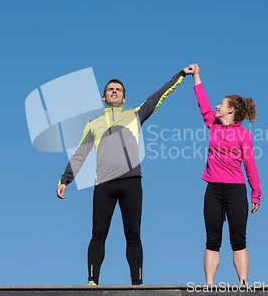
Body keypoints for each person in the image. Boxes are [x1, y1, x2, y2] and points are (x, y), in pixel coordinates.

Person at [56, 67, 195, 285]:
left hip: (131, 183)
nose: (114, 92)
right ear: (103, 97)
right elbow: (80, 153)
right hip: (104, 184)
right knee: (98, 234)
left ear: (123, 97)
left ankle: (137, 283)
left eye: (118, 90)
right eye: (110, 89)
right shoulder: (93, 124)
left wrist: (180, 75)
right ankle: (92, 281)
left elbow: (158, 96)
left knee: (133, 235)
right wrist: (65, 179)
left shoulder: (135, 115)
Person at [188, 64, 261, 285]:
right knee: (212, 241)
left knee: (238, 240)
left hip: (236, 190)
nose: (217, 106)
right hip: (213, 189)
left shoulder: (244, 135)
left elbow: (250, 166)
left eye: (222, 104)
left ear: (230, 110)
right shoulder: (214, 124)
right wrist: (197, 77)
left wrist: (256, 194)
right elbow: (203, 104)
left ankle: (243, 283)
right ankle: (209, 285)